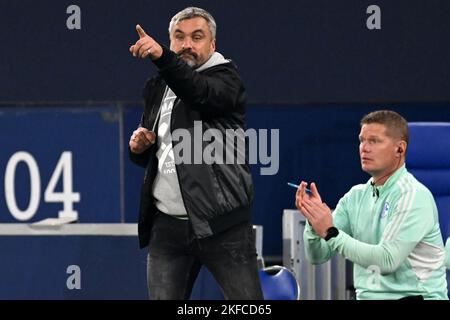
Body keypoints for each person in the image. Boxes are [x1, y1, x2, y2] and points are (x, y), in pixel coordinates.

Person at [128, 7, 263, 300]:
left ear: (212, 45)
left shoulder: (227, 79)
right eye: (179, 37)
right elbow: (156, 149)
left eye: (197, 37)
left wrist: (163, 57)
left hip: (223, 226)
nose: (187, 44)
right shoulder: (157, 85)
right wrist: (139, 147)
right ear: (171, 41)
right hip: (167, 228)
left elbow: (199, 92)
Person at [295, 110, 449, 300]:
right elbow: (318, 256)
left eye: (374, 141)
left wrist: (330, 232)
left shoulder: (414, 195)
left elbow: (386, 261)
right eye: (361, 140)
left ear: (399, 149)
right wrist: (314, 223)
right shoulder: (355, 196)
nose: (364, 148)